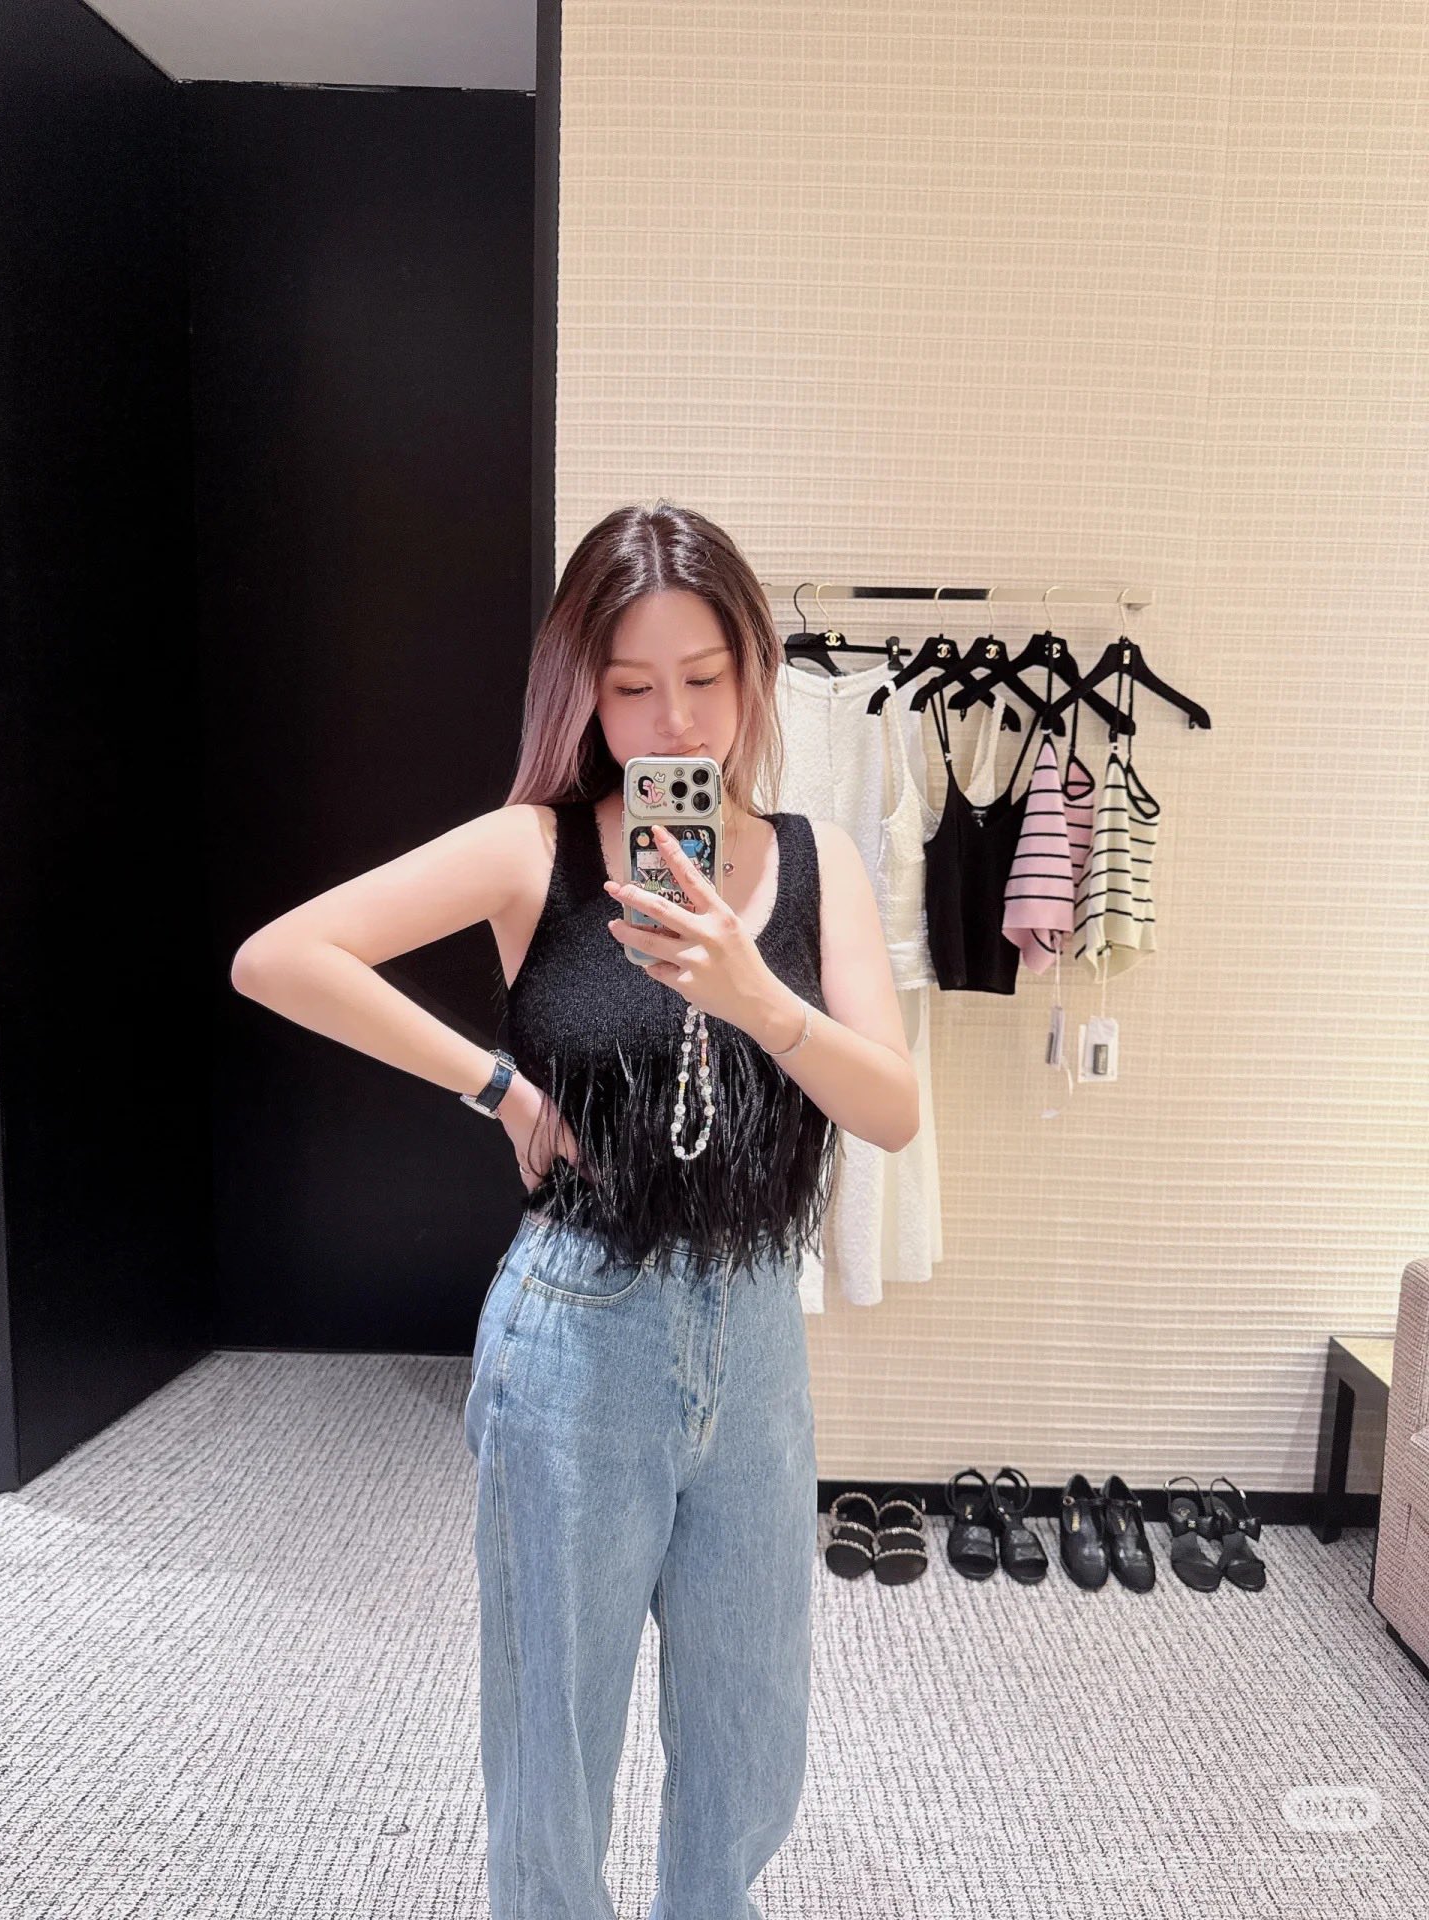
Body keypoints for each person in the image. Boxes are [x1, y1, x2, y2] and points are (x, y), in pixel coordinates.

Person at [230, 500, 918, 1919]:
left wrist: (755, 995)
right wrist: (497, 1088)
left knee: (752, 1745)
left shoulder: (818, 862)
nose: (675, 721)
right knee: (555, 1746)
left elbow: (894, 1108)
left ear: (756, 670)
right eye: (632, 686)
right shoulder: (531, 851)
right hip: (577, 1332)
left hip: (757, 1345)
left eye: (704, 677)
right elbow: (281, 957)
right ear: (585, 694)